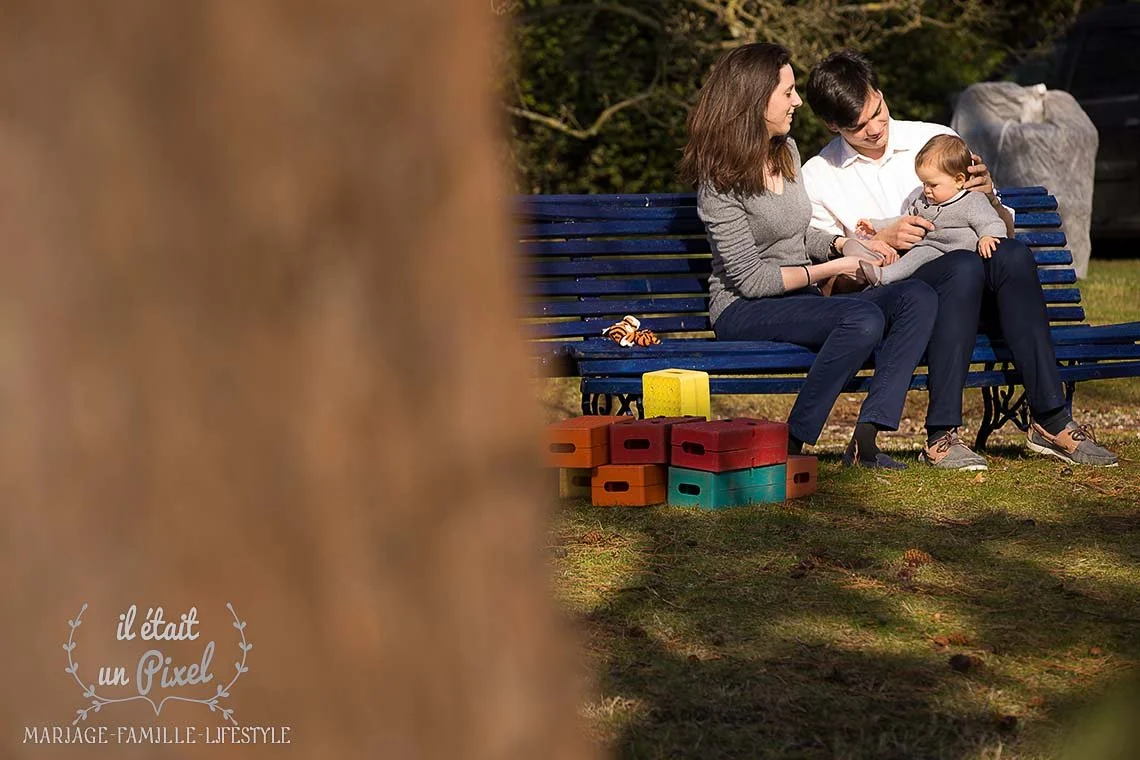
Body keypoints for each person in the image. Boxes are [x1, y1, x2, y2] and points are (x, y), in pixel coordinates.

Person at [802, 50, 1117, 468]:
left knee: (1013, 255)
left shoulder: (934, 137)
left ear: (878, 93)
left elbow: (999, 226)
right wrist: (881, 238)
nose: (876, 128)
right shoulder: (819, 177)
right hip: (903, 296)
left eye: (878, 111)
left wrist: (988, 197)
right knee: (963, 267)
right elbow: (832, 286)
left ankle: (1050, 417)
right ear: (832, 126)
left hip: (973, 288)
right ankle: (941, 435)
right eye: (859, 127)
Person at [679, 42, 939, 469]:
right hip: (743, 309)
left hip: (797, 302)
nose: (797, 101)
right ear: (754, 100)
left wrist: (845, 244)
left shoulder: (786, 151)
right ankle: (791, 442)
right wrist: (837, 266)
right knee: (862, 318)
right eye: (787, 92)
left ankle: (867, 438)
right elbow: (751, 280)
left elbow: (800, 235)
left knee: (917, 297)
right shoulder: (719, 181)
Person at [858, 134, 1007, 287]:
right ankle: (882, 277)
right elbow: (905, 219)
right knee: (917, 253)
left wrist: (987, 236)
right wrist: (876, 225)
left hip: (961, 254)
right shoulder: (923, 200)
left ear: (959, 180)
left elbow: (990, 221)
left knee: (920, 253)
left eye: (932, 185)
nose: (926, 190)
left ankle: (884, 277)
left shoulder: (972, 200)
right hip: (933, 248)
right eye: (923, 183)